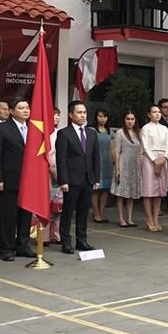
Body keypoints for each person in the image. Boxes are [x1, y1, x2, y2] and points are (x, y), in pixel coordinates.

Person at [0, 99, 35, 261]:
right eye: (21, 108)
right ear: (11, 111)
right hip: (9, 179)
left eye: (27, 107)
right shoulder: (2, 128)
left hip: (28, 180)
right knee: (8, 216)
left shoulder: (33, 128)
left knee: (25, 215)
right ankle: (7, 248)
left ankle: (22, 245)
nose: (25, 110)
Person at [56, 101, 101, 254]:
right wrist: (63, 180)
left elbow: (96, 158)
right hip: (71, 179)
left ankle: (82, 240)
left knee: (83, 212)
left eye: (84, 112)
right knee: (68, 212)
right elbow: (61, 159)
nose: (83, 115)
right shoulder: (64, 133)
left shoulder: (91, 133)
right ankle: (66, 241)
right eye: (79, 112)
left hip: (87, 179)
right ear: (71, 115)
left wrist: (96, 178)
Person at [140, 105, 168, 232]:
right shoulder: (145, 128)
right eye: (154, 112)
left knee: (159, 192)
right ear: (149, 114)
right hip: (149, 159)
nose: (157, 114)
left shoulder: (164, 128)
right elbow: (145, 146)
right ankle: (149, 219)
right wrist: (154, 160)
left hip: (162, 158)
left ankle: (156, 219)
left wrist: (164, 158)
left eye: (158, 112)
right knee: (148, 191)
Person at [111, 110, 142, 228]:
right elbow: (116, 151)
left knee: (131, 193)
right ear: (124, 120)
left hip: (134, 166)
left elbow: (141, 151)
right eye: (128, 119)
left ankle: (129, 218)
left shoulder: (138, 133)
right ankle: (121, 218)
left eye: (132, 119)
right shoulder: (120, 133)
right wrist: (117, 169)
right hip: (123, 165)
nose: (130, 121)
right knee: (120, 193)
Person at [90, 108, 114, 223]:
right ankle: (96, 212)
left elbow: (114, 148)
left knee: (105, 189)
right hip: (95, 162)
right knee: (95, 189)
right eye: (100, 116)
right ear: (96, 117)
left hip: (107, 163)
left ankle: (102, 211)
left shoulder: (110, 132)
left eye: (104, 117)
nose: (102, 119)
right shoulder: (92, 131)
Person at [46, 108, 62, 245]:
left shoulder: (60, 133)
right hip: (47, 171)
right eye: (53, 115)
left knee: (58, 204)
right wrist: (51, 168)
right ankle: (44, 236)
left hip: (59, 170)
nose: (56, 118)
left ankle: (56, 235)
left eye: (58, 115)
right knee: (46, 204)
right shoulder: (44, 134)